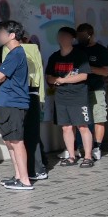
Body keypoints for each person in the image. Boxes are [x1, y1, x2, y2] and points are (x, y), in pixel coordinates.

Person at [0, 21, 33, 191]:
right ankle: (18, 176)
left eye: (1, 32)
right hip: (8, 102)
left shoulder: (16, 53)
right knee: (10, 141)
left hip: (14, 102)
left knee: (16, 141)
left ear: (12, 35)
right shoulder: (11, 54)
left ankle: (25, 180)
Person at [46, 28, 94, 168]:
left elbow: (84, 75)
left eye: (65, 36)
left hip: (78, 96)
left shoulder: (80, 55)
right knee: (66, 127)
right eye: (60, 36)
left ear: (72, 38)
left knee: (83, 126)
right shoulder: (54, 57)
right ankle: (71, 156)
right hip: (61, 96)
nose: (62, 38)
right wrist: (57, 80)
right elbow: (49, 77)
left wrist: (63, 80)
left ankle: (88, 157)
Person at [3, 38, 48, 180]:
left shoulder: (10, 49)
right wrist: (41, 97)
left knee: (18, 137)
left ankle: (28, 173)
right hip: (32, 93)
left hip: (17, 96)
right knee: (30, 135)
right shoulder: (33, 48)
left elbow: (4, 75)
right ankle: (34, 170)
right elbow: (39, 73)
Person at [75, 23, 108, 162]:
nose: (80, 39)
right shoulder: (76, 49)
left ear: (90, 35)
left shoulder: (101, 50)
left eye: (83, 36)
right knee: (78, 120)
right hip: (78, 90)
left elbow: (105, 71)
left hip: (96, 88)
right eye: (78, 36)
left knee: (99, 118)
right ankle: (78, 147)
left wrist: (88, 68)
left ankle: (97, 147)